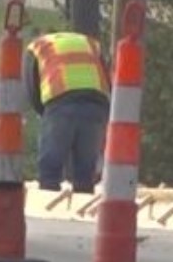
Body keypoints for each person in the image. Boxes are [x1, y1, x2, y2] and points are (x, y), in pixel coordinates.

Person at [24, 29, 110, 194]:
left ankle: (48, 201)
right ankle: (83, 202)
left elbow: (31, 87)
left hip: (61, 101)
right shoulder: (90, 43)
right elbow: (106, 76)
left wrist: (44, 113)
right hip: (96, 103)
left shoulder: (37, 47)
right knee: (85, 169)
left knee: (50, 165)